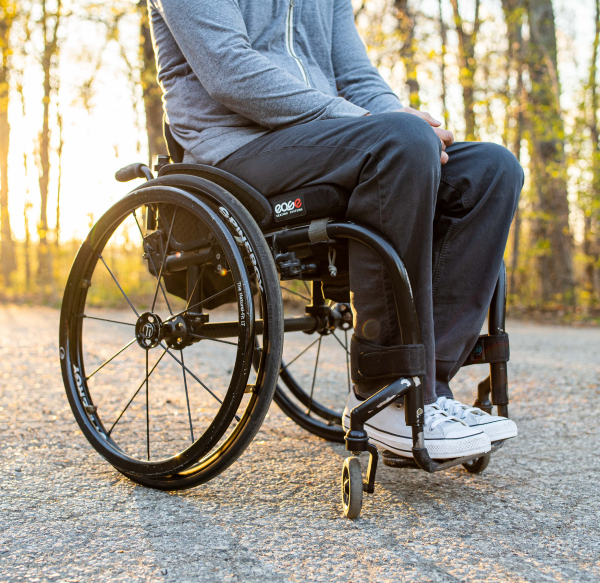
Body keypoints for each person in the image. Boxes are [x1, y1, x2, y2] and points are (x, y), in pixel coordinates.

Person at [148, 0, 522, 460]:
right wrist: (372, 125)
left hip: (328, 139)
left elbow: (357, 76)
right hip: (234, 150)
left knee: (490, 169)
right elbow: (230, 71)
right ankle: (383, 387)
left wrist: (402, 118)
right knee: (400, 142)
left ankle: (426, 388)